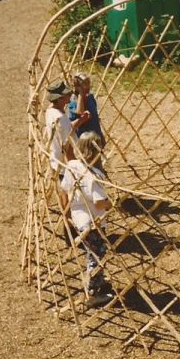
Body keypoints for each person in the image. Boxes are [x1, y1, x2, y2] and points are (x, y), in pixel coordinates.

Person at [61, 131, 113, 306]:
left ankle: (97, 281)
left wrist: (68, 212)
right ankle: (92, 293)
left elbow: (65, 189)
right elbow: (99, 203)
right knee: (96, 256)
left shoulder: (72, 165)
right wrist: (110, 204)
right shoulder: (94, 176)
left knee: (92, 253)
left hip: (79, 218)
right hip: (93, 222)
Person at [45, 80, 89, 210]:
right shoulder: (61, 118)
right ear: (59, 99)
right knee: (69, 195)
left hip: (55, 158)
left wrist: (80, 121)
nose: (69, 95)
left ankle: (67, 222)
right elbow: (67, 145)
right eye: (66, 95)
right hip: (64, 162)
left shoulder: (50, 112)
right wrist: (73, 165)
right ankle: (68, 223)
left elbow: (67, 129)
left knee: (64, 190)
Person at [68, 72, 105, 146]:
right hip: (84, 139)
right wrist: (80, 94)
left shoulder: (90, 97)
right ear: (77, 87)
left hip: (95, 134)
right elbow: (80, 112)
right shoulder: (73, 102)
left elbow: (95, 117)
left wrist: (101, 135)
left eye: (88, 83)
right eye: (85, 84)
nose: (88, 87)